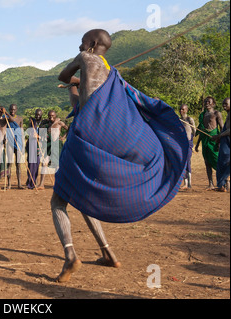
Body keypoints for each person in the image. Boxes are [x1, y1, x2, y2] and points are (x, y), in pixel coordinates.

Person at [51, 29, 188, 283]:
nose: (79, 45)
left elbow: (62, 75)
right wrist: (75, 87)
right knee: (83, 192)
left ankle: (70, 256)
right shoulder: (110, 75)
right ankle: (108, 253)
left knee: (58, 202)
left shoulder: (86, 58)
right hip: (105, 134)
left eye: (82, 42)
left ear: (91, 45)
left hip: (89, 135)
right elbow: (80, 103)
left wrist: (73, 76)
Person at [195, 96, 224, 189]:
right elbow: (201, 131)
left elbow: (222, 128)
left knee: (217, 161)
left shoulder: (216, 114)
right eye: (205, 101)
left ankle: (224, 182)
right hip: (205, 141)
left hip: (214, 140)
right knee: (207, 162)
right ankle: (210, 184)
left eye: (209, 102)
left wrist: (220, 141)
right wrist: (198, 143)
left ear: (213, 104)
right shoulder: (203, 115)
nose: (207, 103)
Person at [36, 110, 68, 190]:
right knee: (44, 163)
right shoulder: (46, 124)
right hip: (48, 145)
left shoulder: (60, 123)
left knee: (57, 165)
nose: (51, 117)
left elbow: (68, 129)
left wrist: (63, 137)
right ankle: (41, 184)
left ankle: (58, 184)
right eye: (49, 116)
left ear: (55, 116)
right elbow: (47, 131)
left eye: (53, 116)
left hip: (57, 145)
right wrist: (54, 123)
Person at [5, 104, 24, 189]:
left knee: (18, 164)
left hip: (18, 142)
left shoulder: (20, 119)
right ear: (9, 110)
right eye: (11, 110)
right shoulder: (6, 118)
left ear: (16, 110)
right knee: (9, 163)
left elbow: (21, 131)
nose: (12, 111)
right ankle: (9, 184)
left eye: (14, 110)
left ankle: (19, 184)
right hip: (9, 142)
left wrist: (22, 143)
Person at [212, 97, 230, 192]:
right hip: (225, 141)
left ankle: (224, 182)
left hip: (228, 142)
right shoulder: (228, 115)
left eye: (226, 104)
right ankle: (222, 185)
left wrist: (219, 136)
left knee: (224, 163)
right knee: (221, 163)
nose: (224, 105)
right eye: (223, 103)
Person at [25, 108, 43, 189]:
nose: (37, 116)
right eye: (36, 115)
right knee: (31, 164)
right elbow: (29, 132)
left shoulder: (43, 124)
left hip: (39, 147)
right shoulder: (32, 123)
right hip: (31, 145)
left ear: (41, 115)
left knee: (37, 164)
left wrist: (38, 136)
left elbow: (45, 136)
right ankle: (30, 182)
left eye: (39, 115)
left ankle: (34, 180)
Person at [179, 104, 196, 189]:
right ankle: (185, 183)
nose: (181, 111)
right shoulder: (179, 120)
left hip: (188, 142)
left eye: (182, 109)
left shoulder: (189, 119)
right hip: (181, 143)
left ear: (186, 110)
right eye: (180, 109)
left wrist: (190, 140)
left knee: (187, 161)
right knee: (183, 161)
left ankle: (189, 183)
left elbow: (194, 131)